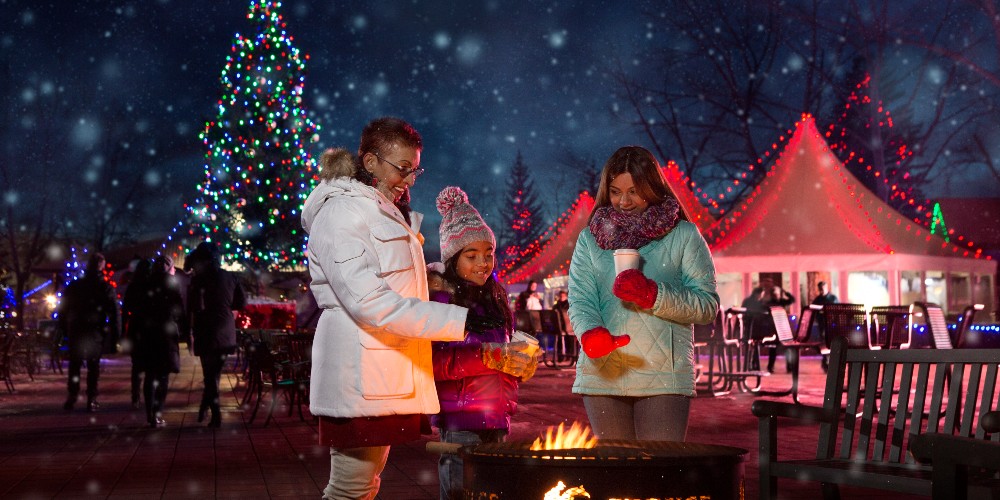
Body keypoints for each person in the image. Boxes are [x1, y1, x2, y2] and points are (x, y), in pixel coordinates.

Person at [300, 117, 502, 500]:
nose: (410, 180)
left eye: (415, 170)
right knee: (349, 487)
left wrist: (438, 283)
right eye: (403, 169)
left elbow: (391, 280)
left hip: (379, 372)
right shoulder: (342, 211)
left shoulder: (379, 208)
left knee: (363, 485)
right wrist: (459, 319)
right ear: (371, 161)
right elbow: (369, 301)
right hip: (358, 374)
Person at [567, 145, 719, 442]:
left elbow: (706, 305)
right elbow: (580, 298)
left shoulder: (684, 235)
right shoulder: (589, 240)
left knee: (657, 479)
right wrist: (589, 333)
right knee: (616, 479)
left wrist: (653, 295)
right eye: (615, 191)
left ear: (652, 187)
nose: (623, 201)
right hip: (604, 374)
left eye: (634, 191)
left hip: (662, 377)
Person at [428, 186, 539, 500]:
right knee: (461, 492)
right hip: (459, 420)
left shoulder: (496, 298)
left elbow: (505, 354)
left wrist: (521, 365)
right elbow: (435, 362)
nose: (483, 262)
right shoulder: (442, 300)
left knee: (493, 493)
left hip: (497, 418)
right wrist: (488, 356)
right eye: (471, 255)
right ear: (453, 258)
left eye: (488, 253)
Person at [186, 241, 246, 428]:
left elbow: (193, 307)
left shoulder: (198, 280)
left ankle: (215, 413)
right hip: (225, 329)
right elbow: (241, 303)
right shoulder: (231, 277)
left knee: (210, 375)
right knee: (215, 374)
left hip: (206, 329)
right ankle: (208, 405)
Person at [59, 253, 120, 412]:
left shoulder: (75, 286)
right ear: (102, 266)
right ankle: (91, 398)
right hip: (95, 331)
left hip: (77, 329)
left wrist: (63, 329)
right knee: (93, 366)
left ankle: (72, 396)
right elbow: (113, 313)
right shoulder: (105, 287)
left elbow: (64, 308)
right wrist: (115, 335)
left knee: (75, 364)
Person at [134, 256, 186, 428]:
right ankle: (157, 413)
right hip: (165, 332)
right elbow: (179, 308)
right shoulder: (172, 283)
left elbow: (138, 308)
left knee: (150, 374)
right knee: (163, 374)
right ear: (170, 267)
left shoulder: (145, 283)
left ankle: (150, 412)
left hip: (148, 332)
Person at [121, 257, 152, 410]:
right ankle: (148, 395)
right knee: (150, 364)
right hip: (150, 328)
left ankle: (135, 396)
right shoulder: (152, 285)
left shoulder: (133, 286)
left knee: (137, 365)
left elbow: (125, 309)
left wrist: (123, 331)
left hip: (136, 326)